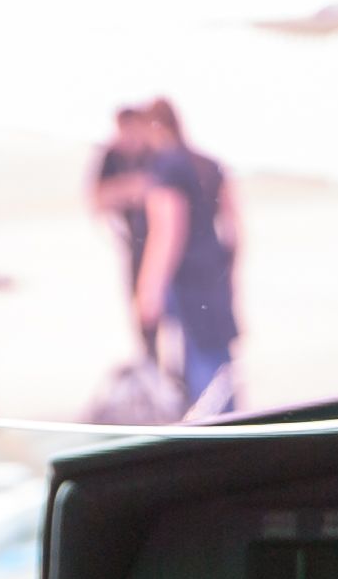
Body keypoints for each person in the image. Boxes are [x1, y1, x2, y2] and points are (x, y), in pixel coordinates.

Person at [95, 98, 244, 420]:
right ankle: (230, 422)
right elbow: (234, 229)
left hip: (184, 277)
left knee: (196, 363)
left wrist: (148, 288)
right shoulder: (208, 162)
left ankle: (210, 430)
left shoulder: (167, 167)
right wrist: (230, 271)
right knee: (217, 359)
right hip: (212, 270)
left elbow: (167, 231)